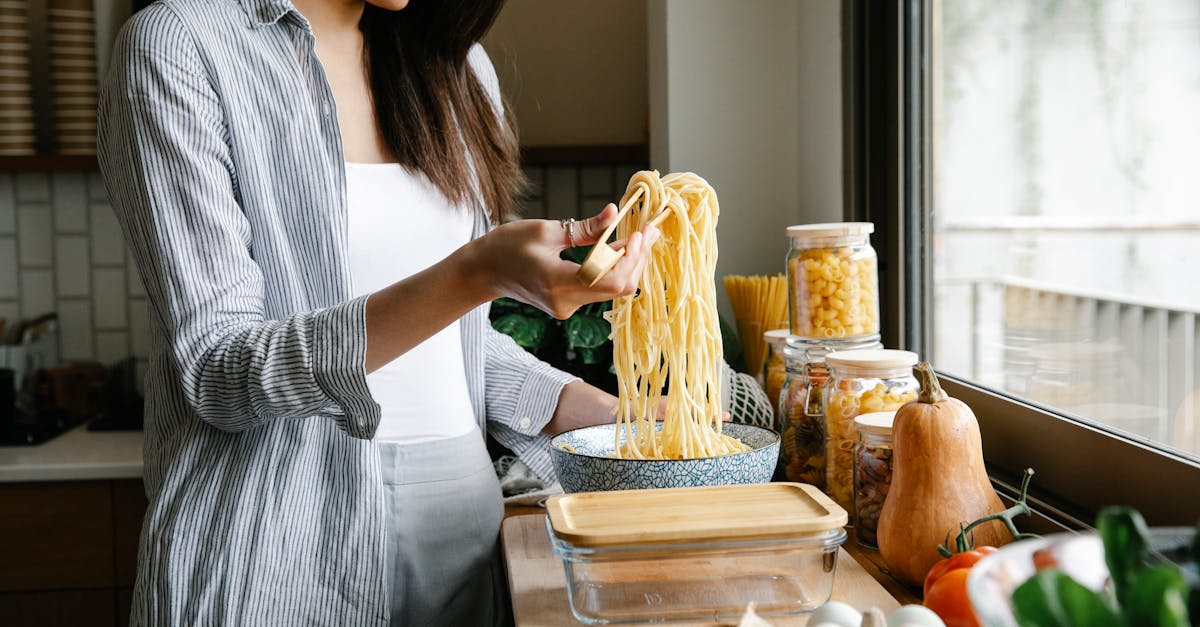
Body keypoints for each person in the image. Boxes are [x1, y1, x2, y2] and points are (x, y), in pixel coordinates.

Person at [97, 0, 661, 624]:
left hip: (465, 529)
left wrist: (593, 414)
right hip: (278, 543)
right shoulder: (181, 46)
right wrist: (475, 272)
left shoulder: (459, 67)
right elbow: (219, 373)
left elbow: (448, 341)